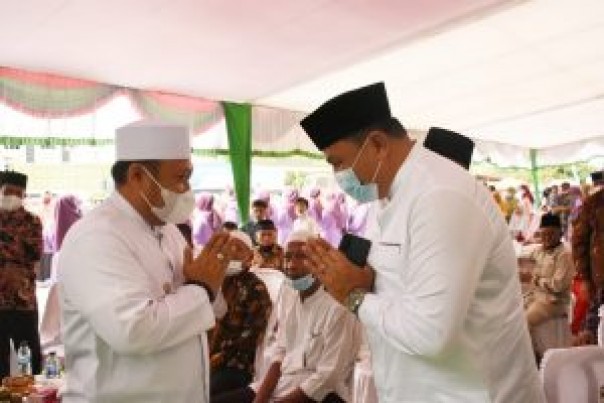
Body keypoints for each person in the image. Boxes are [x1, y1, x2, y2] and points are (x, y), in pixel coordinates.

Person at [299, 82, 544, 402]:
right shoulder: (385, 197)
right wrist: (362, 281)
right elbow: (401, 290)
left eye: (338, 162)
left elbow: (431, 333)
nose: (338, 175)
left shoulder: (440, 195)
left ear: (377, 144)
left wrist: (355, 296)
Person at [58, 120, 236, 403]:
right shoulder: (97, 236)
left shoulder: (168, 230)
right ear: (138, 175)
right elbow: (132, 330)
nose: (186, 189)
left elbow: (206, 308)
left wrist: (216, 273)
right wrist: (201, 288)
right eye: (181, 177)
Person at [213, 230, 361, 403]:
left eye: (301, 257)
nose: (291, 265)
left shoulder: (337, 307)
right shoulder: (289, 293)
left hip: (321, 395)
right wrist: (260, 399)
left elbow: (328, 377)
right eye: (288, 257)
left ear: (318, 262)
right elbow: (280, 352)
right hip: (284, 382)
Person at [210, 230, 272, 397]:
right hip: (208, 359)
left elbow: (251, 336)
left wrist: (218, 358)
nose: (231, 252)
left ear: (249, 257)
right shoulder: (214, 282)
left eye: (238, 248)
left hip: (237, 365)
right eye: (227, 248)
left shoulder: (255, 288)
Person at [0, 170, 43, 378]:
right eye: (9, 191)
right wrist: (14, 254)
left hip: (22, 299)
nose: (13, 196)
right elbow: (23, 253)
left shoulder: (31, 221)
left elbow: (35, 253)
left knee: (29, 352)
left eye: (18, 193)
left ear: (24, 195)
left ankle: (36, 390)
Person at [522, 214, 574, 328]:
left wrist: (535, 280)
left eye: (551, 234)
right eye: (544, 234)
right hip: (535, 296)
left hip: (554, 302)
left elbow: (558, 286)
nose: (547, 237)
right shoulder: (538, 251)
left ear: (560, 234)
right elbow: (523, 262)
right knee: (510, 312)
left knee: (523, 322)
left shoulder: (564, 255)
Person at [572, 170, 604, 345]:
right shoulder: (594, 202)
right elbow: (579, 242)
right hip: (601, 278)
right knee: (594, 332)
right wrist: (584, 278)